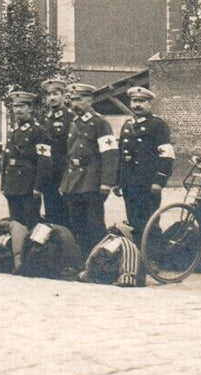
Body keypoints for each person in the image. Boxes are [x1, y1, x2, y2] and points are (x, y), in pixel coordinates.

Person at [59, 82, 119, 254]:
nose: (75, 104)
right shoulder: (74, 123)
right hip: (73, 182)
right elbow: (70, 154)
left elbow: (110, 154)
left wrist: (107, 182)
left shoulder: (100, 123)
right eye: (73, 100)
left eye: (79, 100)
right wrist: (65, 182)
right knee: (76, 224)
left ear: (90, 101)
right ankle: (83, 257)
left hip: (92, 180)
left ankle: (99, 259)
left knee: (95, 224)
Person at [115, 86, 175, 235]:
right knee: (133, 222)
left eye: (141, 101)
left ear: (149, 104)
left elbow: (167, 155)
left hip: (148, 183)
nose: (137, 105)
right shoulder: (127, 125)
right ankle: (137, 249)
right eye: (134, 101)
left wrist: (159, 181)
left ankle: (153, 249)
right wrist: (118, 181)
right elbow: (121, 155)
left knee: (150, 223)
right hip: (129, 182)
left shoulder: (157, 125)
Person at [1, 91, 53, 228]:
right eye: (15, 106)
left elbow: (44, 162)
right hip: (12, 186)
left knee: (31, 224)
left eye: (22, 106)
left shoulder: (38, 132)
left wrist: (38, 187)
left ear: (30, 108)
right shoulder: (13, 132)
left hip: (28, 187)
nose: (17, 110)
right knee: (16, 225)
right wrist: (3, 185)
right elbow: (6, 160)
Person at [37, 78, 75, 225]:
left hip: (66, 173)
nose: (51, 98)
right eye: (49, 94)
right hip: (48, 173)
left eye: (56, 94)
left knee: (68, 212)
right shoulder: (44, 119)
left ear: (64, 96)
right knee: (51, 212)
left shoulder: (71, 117)